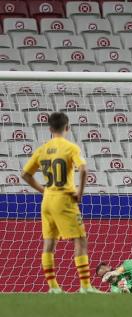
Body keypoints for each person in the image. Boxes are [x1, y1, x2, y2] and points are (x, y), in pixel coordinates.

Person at [21, 112, 100, 294]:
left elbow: (25, 174)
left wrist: (44, 190)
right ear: (67, 127)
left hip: (47, 201)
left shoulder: (42, 149)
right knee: (80, 239)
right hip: (64, 200)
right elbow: (84, 170)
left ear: (49, 129)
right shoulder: (71, 148)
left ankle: (53, 287)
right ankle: (86, 286)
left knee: (49, 242)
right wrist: (79, 193)